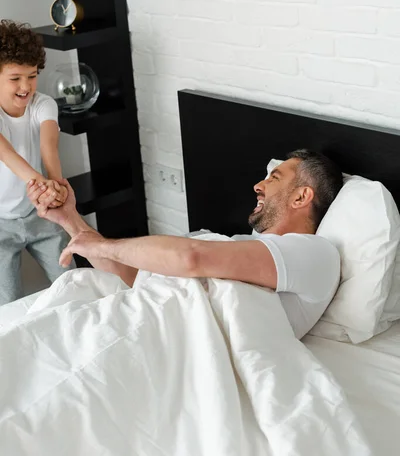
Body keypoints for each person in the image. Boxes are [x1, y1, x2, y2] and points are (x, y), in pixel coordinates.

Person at [27, 149, 343, 339]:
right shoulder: (234, 245)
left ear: (302, 196)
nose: (258, 185)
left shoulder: (315, 253)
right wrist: (70, 220)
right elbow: (134, 277)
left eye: (274, 178)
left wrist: (101, 246)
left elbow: (191, 258)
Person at [0, 19, 75, 306]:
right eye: (15, 78)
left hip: (39, 215)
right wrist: (42, 183)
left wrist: (56, 188)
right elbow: (7, 154)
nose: (26, 86)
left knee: (73, 287)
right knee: (7, 307)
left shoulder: (43, 104)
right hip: (1, 226)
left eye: (32, 76)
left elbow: (49, 146)